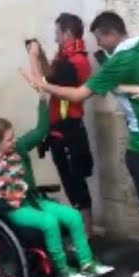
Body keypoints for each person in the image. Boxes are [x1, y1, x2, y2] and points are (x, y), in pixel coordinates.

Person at [26, 11, 139, 277]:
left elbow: (79, 94)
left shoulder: (116, 62)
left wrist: (40, 83)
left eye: (100, 39)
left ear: (109, 33)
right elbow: (135, 79)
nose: (99, 45)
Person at [0, 91, 114, 277]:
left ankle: (87, 263)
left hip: (33, 200)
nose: (13, 141)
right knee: (49, 222)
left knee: (73, 217)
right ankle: (63, 271)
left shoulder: (20, 148)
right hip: (13, 209)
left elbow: (41, 130)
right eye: (9, 139)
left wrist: (42, 99)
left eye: (13, 137)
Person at [31, 13, 95, 237]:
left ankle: (86, 232)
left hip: (69, 129)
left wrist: (33, 57)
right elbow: (51, 75)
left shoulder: (74, 62)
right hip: (62, 130)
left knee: (76, 183)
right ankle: (84, 230)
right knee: (71, 181)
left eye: (58, 34)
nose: (56, 39)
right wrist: (40, 58)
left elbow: (42, 84)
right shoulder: (66, 58)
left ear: (68, 33)